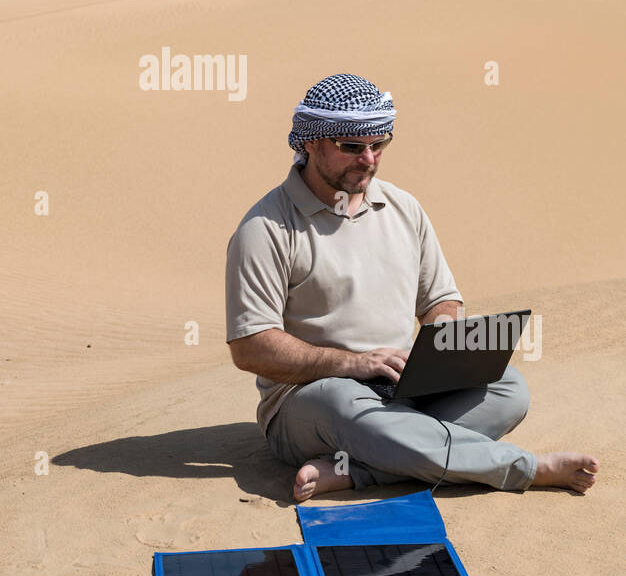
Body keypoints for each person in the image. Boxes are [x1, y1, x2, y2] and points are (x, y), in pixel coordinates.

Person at [225, 73, 599, 500]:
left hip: (402, 389)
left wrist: (438, 355)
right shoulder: (266, 227)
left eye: (379, 145)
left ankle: (360, 471)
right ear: (310, 143)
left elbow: (441, 299)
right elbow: (250, 346)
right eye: (351, 146)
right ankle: (527, 468)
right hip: (312, 400)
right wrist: (350, 364)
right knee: (345, 405)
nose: (368, 158)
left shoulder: (404, 207)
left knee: (508, 388)